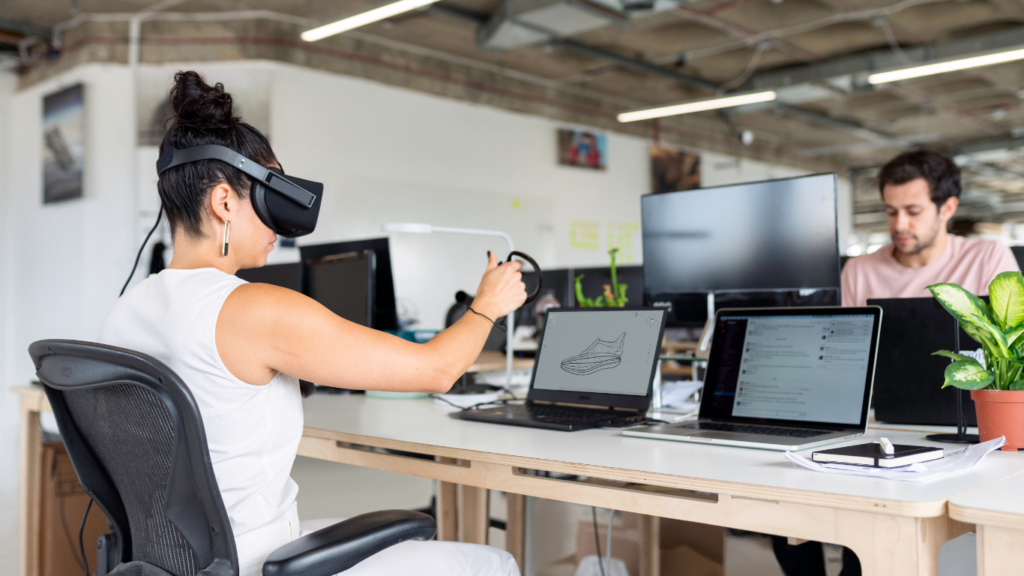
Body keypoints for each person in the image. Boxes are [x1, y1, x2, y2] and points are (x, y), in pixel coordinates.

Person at [98, 71, 525, 576]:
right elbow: (438, 369)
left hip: (176, 560)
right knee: (494, 561)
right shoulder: (255, 309)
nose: (280, 222)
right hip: (255, 559)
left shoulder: (125, 309)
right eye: (269, 191)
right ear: (224, 202)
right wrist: (487, 305)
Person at [842, 150, 1019, 307]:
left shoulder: (988, 259)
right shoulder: (859, 271)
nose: (899, 225)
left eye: (913, 212)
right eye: (892, 212)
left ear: (947, 209)